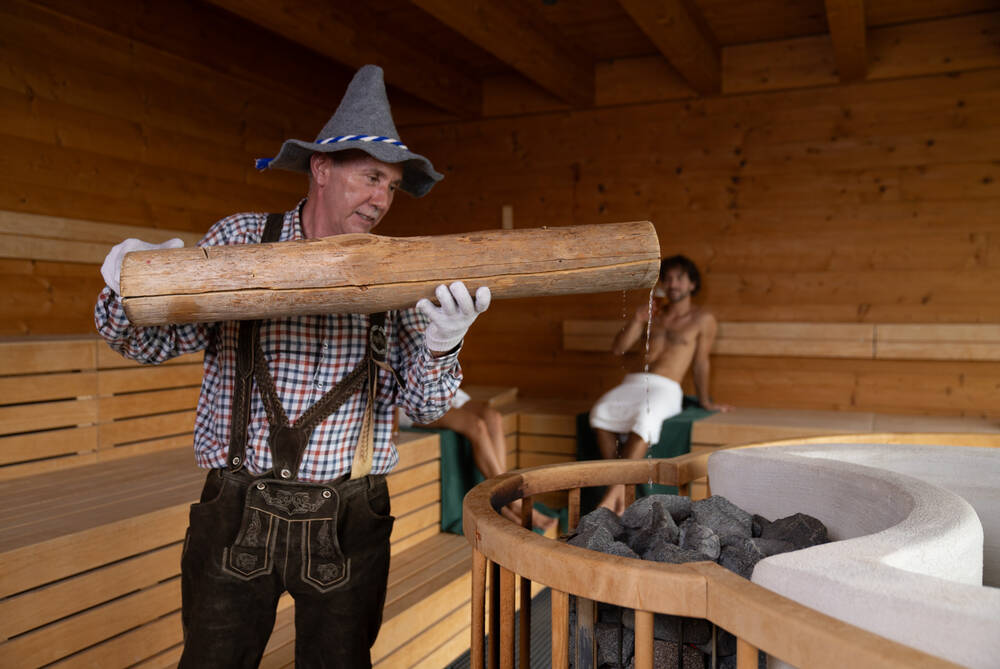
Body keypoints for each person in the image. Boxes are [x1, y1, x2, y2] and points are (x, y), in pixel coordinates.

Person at [94, 65, 489, 668]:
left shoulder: (399, 270)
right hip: (235, 509)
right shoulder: (241, 237)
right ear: (322, 169)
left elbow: (426, 406)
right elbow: (150, 345)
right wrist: (128, 290)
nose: (382, 200)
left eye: (391, 186)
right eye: (371, 177)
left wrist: (444, 345)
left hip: (351, 517)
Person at [589, 255, 730, 513]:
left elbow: (701, 362)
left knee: (646, 418)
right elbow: (618, 348)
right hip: (634, 382)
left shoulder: (702, 319)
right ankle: (621, 491)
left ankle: (612, 495)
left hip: (666, 387)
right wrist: (637, 319)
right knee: (600, 412)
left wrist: (705, 401)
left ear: (692, 284)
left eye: (679, 278)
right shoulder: (653, 314)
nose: (672, 284)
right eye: (668, 279)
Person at [402, 388, 557, 530]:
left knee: (493, 417)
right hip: (408, 397)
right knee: (476, 425)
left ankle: (504, 501)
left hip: (436, 388)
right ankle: (512, 498)